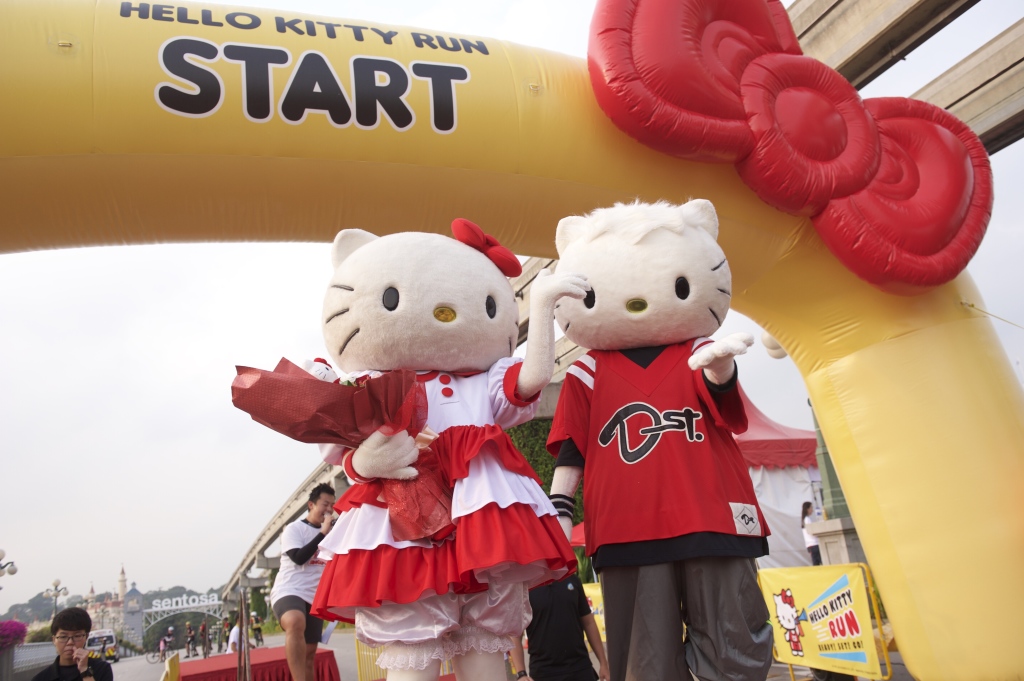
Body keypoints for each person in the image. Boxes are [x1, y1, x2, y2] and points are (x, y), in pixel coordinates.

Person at [269, 482, 335, 681]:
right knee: (295, 621)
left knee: (309, 653)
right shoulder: (294, 529)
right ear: (311, 505)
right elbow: (298, 558)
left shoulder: (333, 532)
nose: (329, 510)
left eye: (332, 505)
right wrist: (322, 534)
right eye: (325, 504)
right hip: (289, 589)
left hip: (314, 596)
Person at [509, 574, 609, 681]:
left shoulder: (571, 579)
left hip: (580, 668)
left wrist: (603, 663)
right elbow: (514, 634)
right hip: (543, 672)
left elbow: (589, 622)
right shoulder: (524, 586)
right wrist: (521, 674)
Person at [31, 607, 113, 681]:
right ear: (54, 640)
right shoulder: (41, 678)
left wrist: (85, 671)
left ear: (86, 637)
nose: (70, 642)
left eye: (77, 636)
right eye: (63, 637)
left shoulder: (102, 669)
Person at [802, 502, 822, 566]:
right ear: (807, 509)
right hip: (814, 544)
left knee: (816, 563)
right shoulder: (807, 519)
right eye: (811, 507)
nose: (812, 510)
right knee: (819, 562)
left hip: (810, 545)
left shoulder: (804, 520)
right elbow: (811, 532)